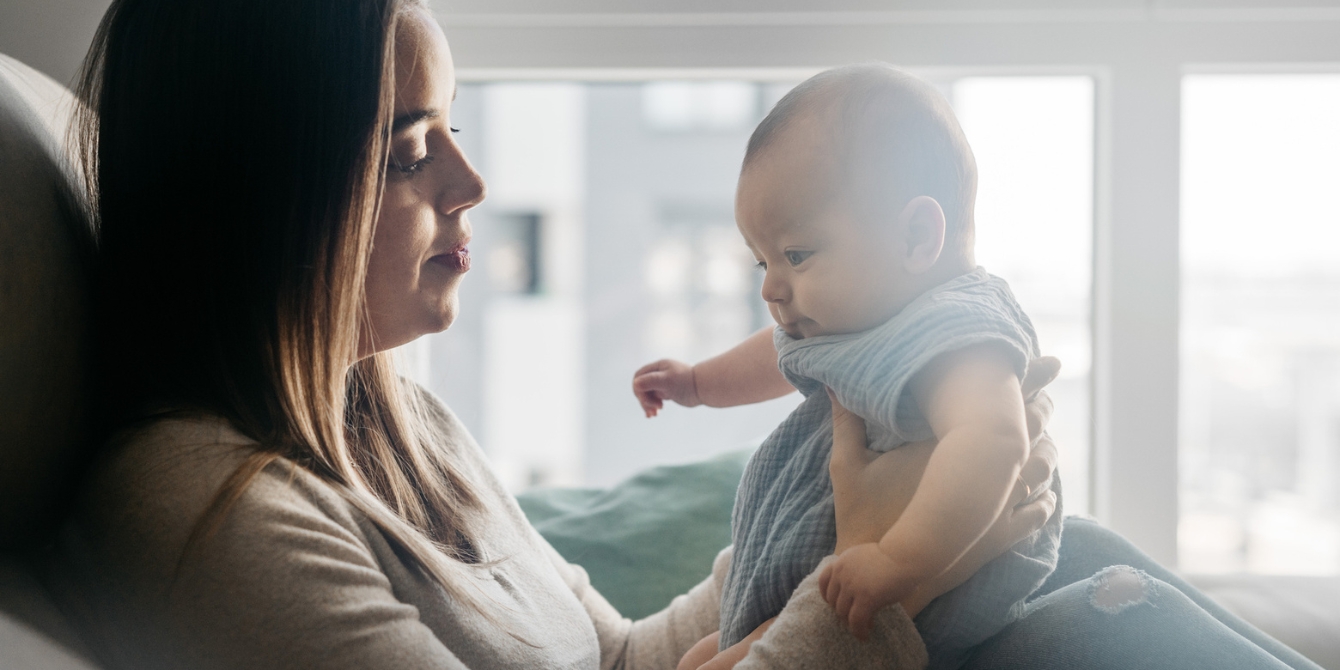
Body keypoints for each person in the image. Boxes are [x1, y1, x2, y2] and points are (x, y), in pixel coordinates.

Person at [49, 0, 1324, 668]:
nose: (469, 188)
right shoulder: (202, 516)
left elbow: (606, 656)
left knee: (1090, 571)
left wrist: (816, 536)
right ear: (264, 186)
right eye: (409, 151)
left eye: (456, 133)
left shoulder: (394, 416)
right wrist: (887, 570)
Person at [635, 64, 1061, 670]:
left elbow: (994, 442)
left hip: (916, 571)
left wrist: (899, 562)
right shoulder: (855, 318)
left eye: (796, 255)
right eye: (762, 264)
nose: (771, 289)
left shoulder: (959, 330)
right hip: (837, 561)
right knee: (696, 660)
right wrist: (698, 383)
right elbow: (780, 354)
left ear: (916, 236)